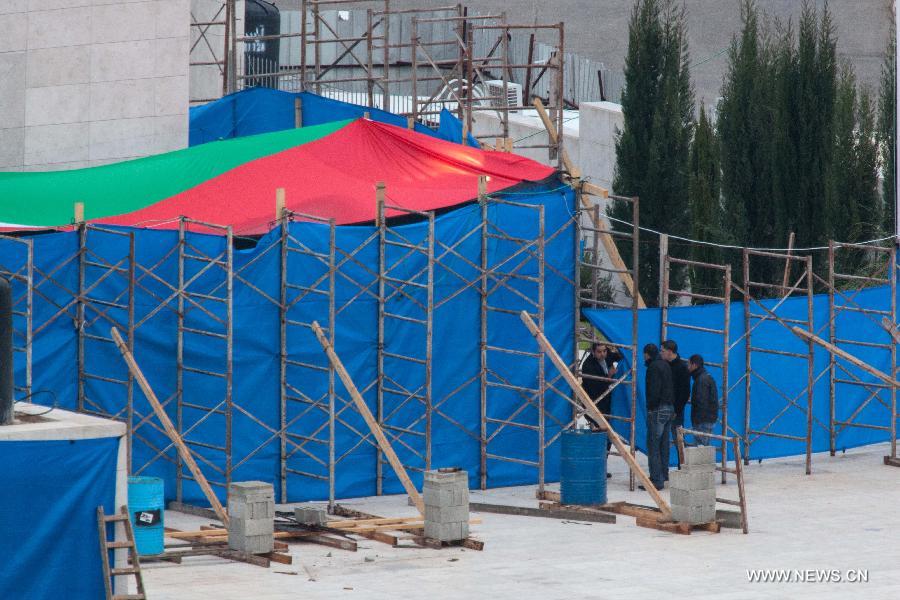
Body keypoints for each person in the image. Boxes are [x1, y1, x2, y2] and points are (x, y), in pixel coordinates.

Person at [580, 343, 623, 475]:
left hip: (607, 404)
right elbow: (595, 387)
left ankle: (601, 467)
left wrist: (617, 349)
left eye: (604, 351)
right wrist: (609, 376)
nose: (603, 354)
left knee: (606, 436)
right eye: (599, 352)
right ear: (593, 352)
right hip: (595, 404)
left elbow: (620, 356)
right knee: (598, 436)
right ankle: (596, 468)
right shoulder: (588, 365)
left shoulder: (607, 356)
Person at [641, 343, 674, 491]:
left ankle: (656, 480)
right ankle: (664, 474)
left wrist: (650, 408)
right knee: (664, 444)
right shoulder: (665, 365)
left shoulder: (653, 367)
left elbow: (654, 390)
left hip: (658, 409)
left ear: (647, 354)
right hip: (669, 408)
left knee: (653, 445)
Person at [661, 340, 690, 462]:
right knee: (663, 440)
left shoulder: (682, 367)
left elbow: (685, 392)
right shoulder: (664, 364)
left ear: (670, 352)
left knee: (678, 440)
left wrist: (677, 410)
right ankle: (664, 470)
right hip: (664, 407)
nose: (661, 353)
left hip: (675, 410)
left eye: (663, 351)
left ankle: (682, 467)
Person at [688, 354, 719, 445]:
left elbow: (702, 402)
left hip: (703, 420)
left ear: (694, 365)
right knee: (703, 447)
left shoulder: (701, 380)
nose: (688, 367)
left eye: (689, 364)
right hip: (707, 419)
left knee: (701, 449)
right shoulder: (704, 377)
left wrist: (697, 421)